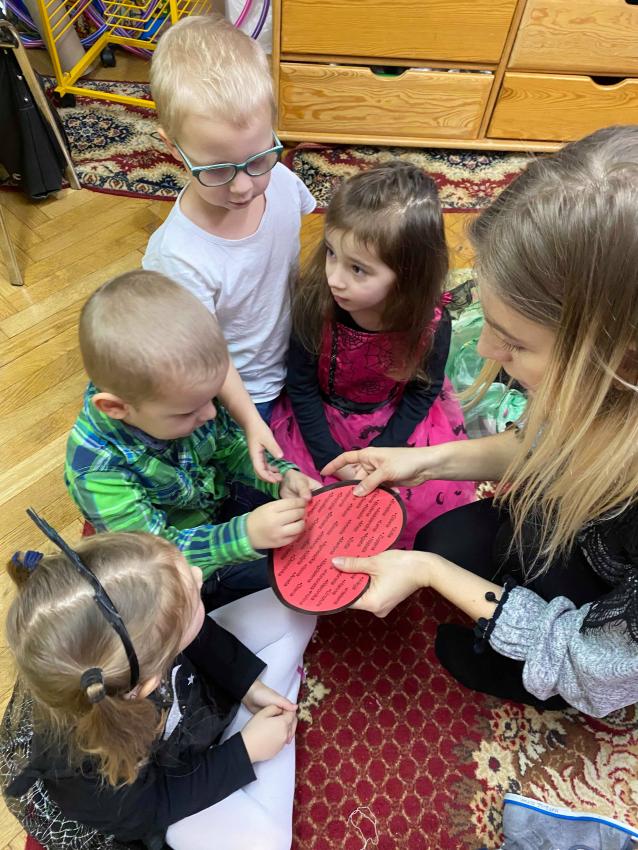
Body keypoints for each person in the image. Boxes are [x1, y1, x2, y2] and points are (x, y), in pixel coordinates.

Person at [322, 126, 638, 718]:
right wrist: (426, 461)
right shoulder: (598, 388)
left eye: (515, 343)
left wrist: (429, 573)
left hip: (607, 605)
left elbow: (596, 666)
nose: (488, 350)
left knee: (472, 632)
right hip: (569, 521)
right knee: (443, 541)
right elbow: (540, 445)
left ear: (620, 363)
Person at [0, 518, 317, 850]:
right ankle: (248, 734)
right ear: (152, 679)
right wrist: (244, 752)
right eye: (191, 596)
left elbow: (196, 636)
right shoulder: (84, 771)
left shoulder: (138, 637)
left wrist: (248, 684)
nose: (199, 574)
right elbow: (152, 806)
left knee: (295, 609)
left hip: (184, 709)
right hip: (160, 798)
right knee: (269, 841)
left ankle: (248, 725)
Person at [65, 271, 319, 608]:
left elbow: (230, 447)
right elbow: (156, 557)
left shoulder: (179, 400)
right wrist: (244, 535)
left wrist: (281, 475)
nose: (210, 414)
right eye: (188, 412)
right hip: (179, 565)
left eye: (212, 398)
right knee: (295, 575)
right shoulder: (96, 472)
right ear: (115, 407)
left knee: (308, 532)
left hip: (213, 507)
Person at [270, 161, 475, 547]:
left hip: (395, 426)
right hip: (321, 424)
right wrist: (329, 457)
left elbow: (423, 392)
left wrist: (381, 451)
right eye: (331, 253)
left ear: (408, 276)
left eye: (358, 269)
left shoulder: (431, 323)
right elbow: (301, 387)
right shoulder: (316, 303)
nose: (334, 278)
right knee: (309, 509)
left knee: (417, 500)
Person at [143, 14, 316, 425]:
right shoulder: (177, 258)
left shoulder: (281, 181)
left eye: (257, 159)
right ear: (174, 149)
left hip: (292, 355)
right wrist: (251, 421)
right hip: (239, 393)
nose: (242, 187)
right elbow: (203, 354)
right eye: (217, 170)